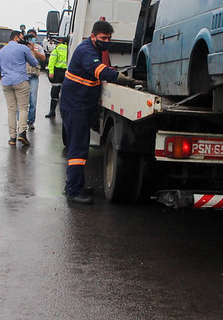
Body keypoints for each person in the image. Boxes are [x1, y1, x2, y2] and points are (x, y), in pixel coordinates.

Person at [60, 20, 142, 204]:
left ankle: (75, 185)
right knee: (78, 148)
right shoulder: (85, 51)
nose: (107, 41)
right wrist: (123, 79)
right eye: (103, 38)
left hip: (79, 105)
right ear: (93, 36)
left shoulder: (93, 49)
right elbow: (100, 71)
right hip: (75, 106)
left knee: (79, 146)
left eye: (109, 38)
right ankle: (73, 191)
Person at [0, 30, 41, 146]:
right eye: (21, 37)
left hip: (6, 82)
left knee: (11, 110)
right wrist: (30, 49)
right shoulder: (24, 49)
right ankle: (22, 133)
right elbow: (34, 62)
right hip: (21, 81)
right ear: (16, 37)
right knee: (23, 108)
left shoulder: (1, 52)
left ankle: (12, 137)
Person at [25, 28, 46, 129]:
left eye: (33, 37)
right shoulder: (22, 47)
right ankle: (21, 121)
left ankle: (31, 121)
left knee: (32, 100)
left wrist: (33, 50)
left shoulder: (38, 48)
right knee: (22, 100)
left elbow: (43, 58)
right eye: (29, 36)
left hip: (33, 77)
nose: (31, 39)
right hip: (23, 76)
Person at [45, 36, 68, 118]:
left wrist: (51, 72)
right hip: (67, 72)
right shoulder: (70, 49)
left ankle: (52, 111)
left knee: (55, 93)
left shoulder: (58, 49)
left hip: (57, 72)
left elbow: (52, 61)